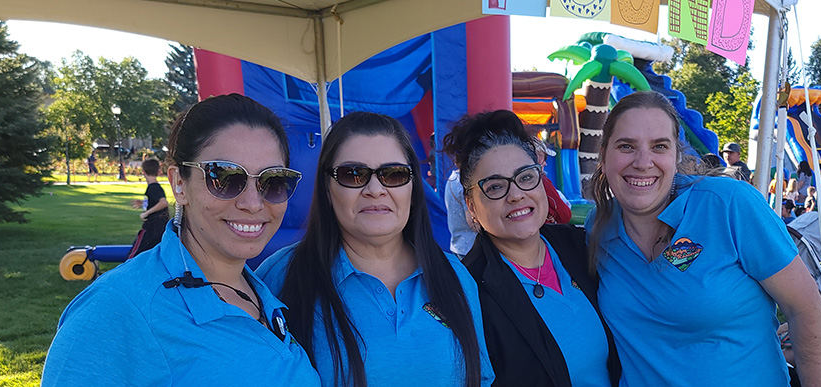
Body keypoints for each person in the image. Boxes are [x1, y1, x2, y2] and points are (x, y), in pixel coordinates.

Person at [42, 94, 318, 385]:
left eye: (272, 181)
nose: (253, 203)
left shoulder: (261, 288)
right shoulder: (118, 309)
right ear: (179, 184)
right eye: (224, 177)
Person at [585, 92, 821, 386]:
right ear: (604, 155)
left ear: (676, 156)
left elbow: (805, 309)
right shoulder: (599, 228)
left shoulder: (729, 205)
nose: (642, 162)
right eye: (626, 146)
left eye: (659, 146)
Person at [255, 112, 492, 387]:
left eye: (393, 174)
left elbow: (481, 378)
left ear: (413, 188)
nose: (375, 189)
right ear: (327, 189)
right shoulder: (281, 276)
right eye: (353, 175)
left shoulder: (455, 277)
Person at [441, 110, 617, 387]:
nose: (516, 195)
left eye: (525, 178)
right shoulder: (468, 293)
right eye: (495, 186)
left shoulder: (579, 246)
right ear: (472, 206)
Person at [126, 158, 170, 258]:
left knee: (134, 255)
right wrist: (144, 203)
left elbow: (163, 203)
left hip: (152, 227)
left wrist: (146, 213)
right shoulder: (155, 187)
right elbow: (156, 202)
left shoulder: (153, 187)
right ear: (158, 171)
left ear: (143, 172)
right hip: (159, 228)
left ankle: (130, 272)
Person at [446, 169, 478, 256]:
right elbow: (472, 222)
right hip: (469, 248)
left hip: (458, 246)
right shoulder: (462, 183)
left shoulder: (452, 179)